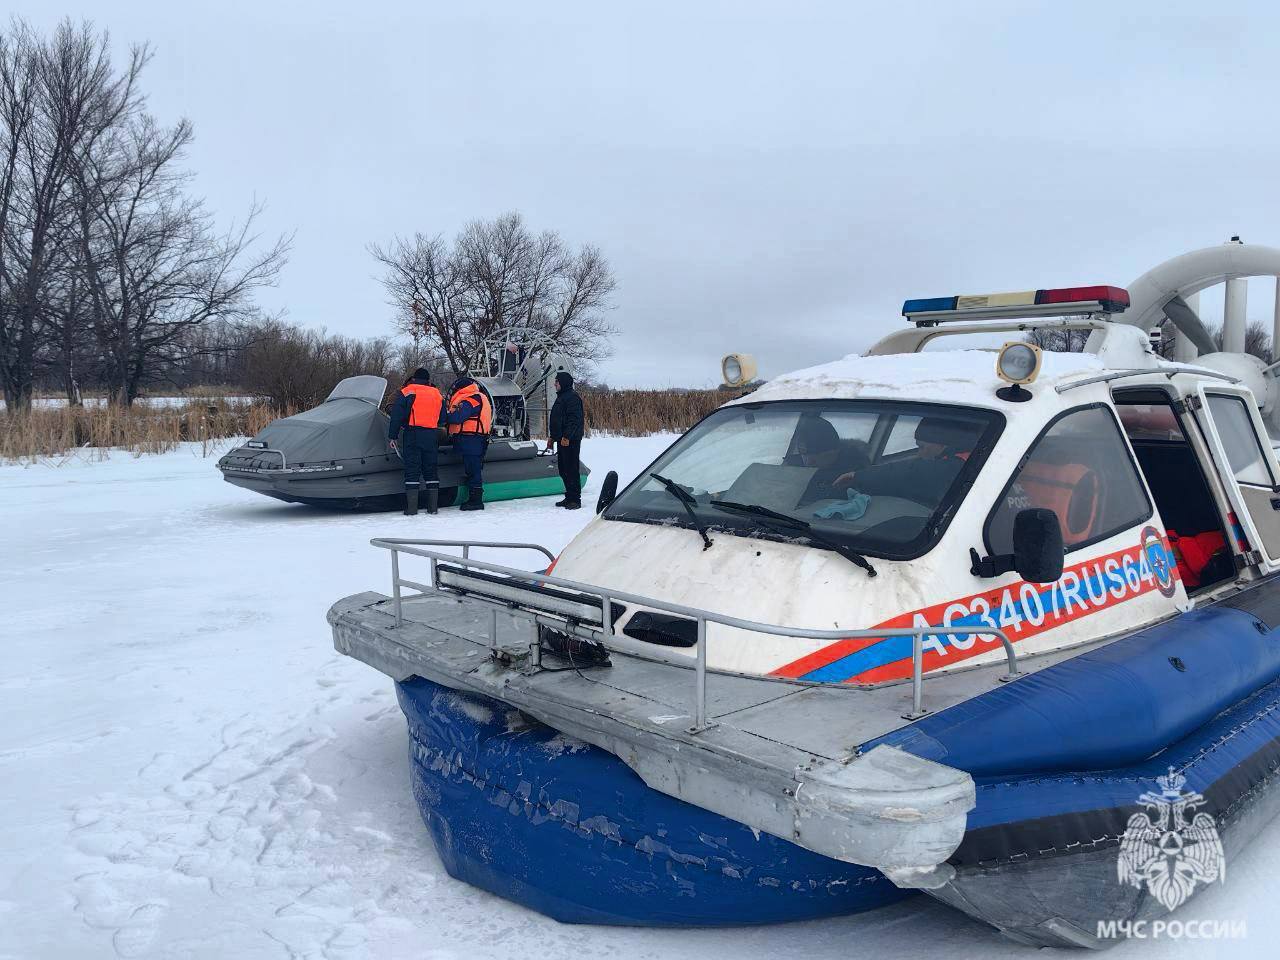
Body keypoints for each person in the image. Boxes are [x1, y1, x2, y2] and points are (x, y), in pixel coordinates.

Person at [388, 368, 444, 515]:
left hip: (413, 434)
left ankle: (412, 509)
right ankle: (433, 508)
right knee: (431, 469)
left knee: (412, 469)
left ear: (414, 378)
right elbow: (443, 417)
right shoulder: (436, 394)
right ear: (428, 380)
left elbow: (396, 415)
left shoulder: (408, 391)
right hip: (432, 434)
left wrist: (392, 435)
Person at [445, 376, 493, 511]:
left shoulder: (471, 399)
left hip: (471, 439)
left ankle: (476, 500)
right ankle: (474, 498)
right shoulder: (478, 397)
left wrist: (444, 416)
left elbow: (458, 417)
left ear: (461, 389)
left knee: (473, 469)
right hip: (473, 438)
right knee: (473, 468)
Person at [546, 371, 585, 508]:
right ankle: (569, 496)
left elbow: (574, 420)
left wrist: (567, 436)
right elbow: (557, 420)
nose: (554, 384)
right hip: (561, 439)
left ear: (563, 383)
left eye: (557, 381)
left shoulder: (572, 398)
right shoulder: (561, 397)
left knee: (571, 468)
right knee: (563, 469)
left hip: (570, 440)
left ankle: (575, 499)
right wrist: (552, 437)